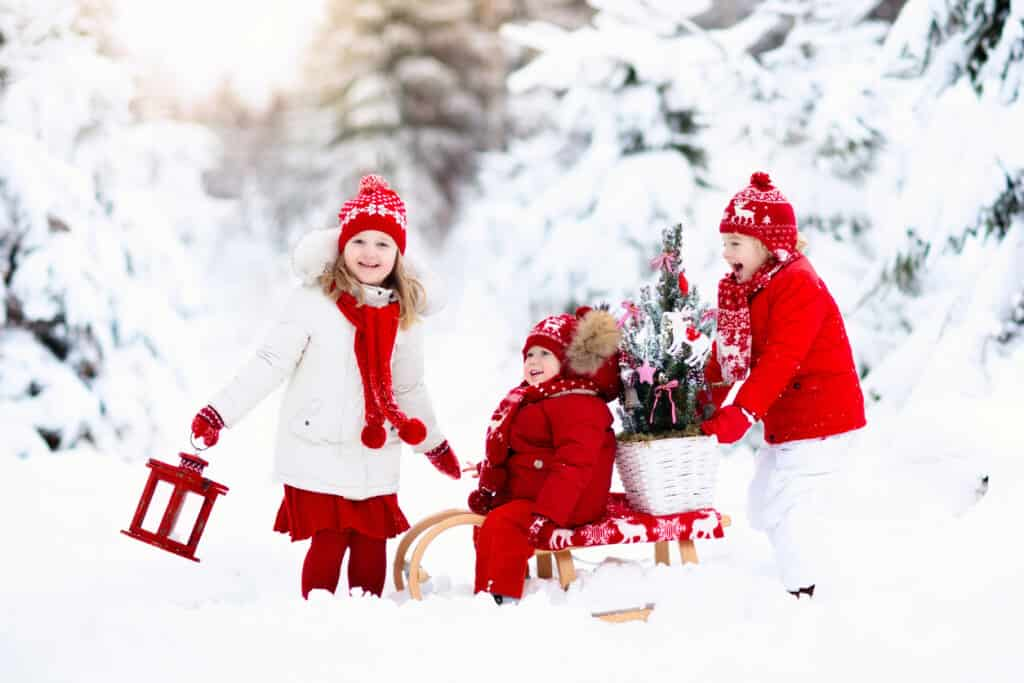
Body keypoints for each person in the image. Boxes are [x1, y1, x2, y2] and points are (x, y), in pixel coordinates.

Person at [189, 174, 461, 600]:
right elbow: (270, 363)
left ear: (398, 254)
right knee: (330, 540)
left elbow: (410, 389)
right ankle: (317, 619)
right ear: (341, 246)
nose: (370, 253)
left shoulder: (405, 318)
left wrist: (435, 444)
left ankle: (364, 622)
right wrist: (218, 413)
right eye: (359, 242)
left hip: (374, 452)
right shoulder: (313, 302)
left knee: (372, 544)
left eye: (383, 244)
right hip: (319, 445)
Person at [700, 171, 866, 598]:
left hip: (822, 420)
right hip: (790, 421)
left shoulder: (798, 284)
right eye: (724, 243)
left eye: (734, 243)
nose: (725, 254)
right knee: (761, 506)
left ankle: (805, 592)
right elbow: (727, 355)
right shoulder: (747, 290)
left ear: (765, 245)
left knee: (789, 507)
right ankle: (800, 568)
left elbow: (782, 360)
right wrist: (700, 403)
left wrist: (742, 411)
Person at [468, 308, 621, 604]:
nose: (534, 361)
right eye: (529, 355)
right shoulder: (536, 397)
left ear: (566, 361)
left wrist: (548, 516)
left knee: (503, 523)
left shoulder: (578, 402)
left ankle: (498, 595)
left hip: (569, 503)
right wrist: (492, 468)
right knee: (489, 523)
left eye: (545, 354)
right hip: (538, 493)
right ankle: (506, 578)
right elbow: (527, 449)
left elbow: (575, 464)